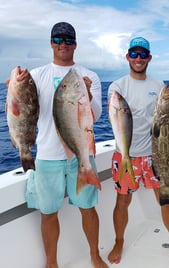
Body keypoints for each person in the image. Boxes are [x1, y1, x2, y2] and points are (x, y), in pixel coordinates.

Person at [25, 22, 108, 268]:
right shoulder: (37, 75)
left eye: (68, 39)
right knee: (48, 212)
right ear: (51, 42)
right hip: (47, 156)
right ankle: (52, 262)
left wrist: (88, 96)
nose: (63, 44)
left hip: (81, 153)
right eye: (58, 39)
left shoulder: (89, 76)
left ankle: (95, 254)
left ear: (75, 44)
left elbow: (95, 117)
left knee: (87, 207)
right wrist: (16, 88)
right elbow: (23, 107)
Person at [107, 37, 169, 264]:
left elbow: (167, 119)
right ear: (127, 57)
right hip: (125, 154)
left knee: (166, 200)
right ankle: (119, 241)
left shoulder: (159, 86)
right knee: (122, 202)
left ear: (149, 57)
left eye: (143, 54)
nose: (138, 58)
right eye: (134, 54)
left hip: (155, 154)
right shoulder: (117, 87)